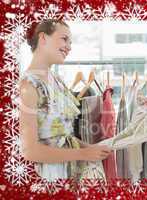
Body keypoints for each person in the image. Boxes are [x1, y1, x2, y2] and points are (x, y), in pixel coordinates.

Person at [19, 19, 111, 181]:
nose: (69, 47)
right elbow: (30, 150)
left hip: (69, 174)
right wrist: (83, 153)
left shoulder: (57, 80)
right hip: (47, 178)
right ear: (43, 39)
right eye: (64, 39)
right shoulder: (28, 86)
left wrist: (91, 148)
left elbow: (63, 136)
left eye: (70, 42)